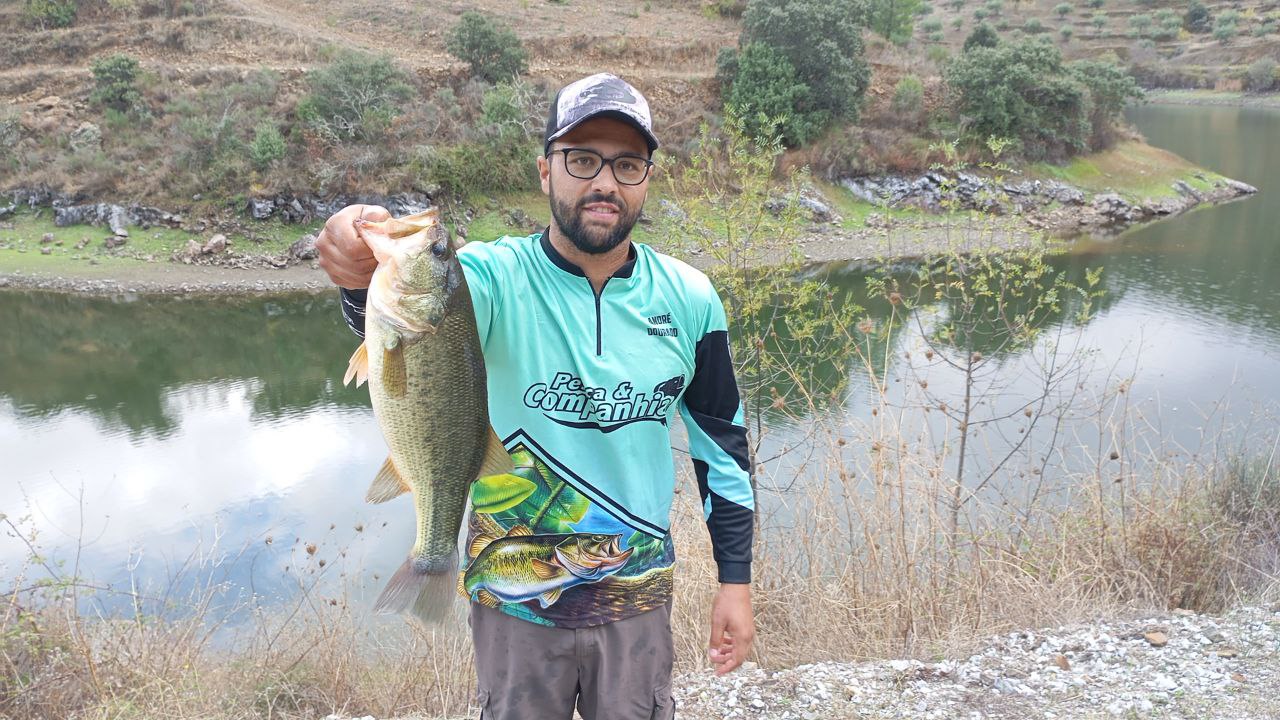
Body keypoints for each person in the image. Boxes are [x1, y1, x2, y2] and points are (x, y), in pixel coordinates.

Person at [316, 73, 755, 720]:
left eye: (627, 164)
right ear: (545, 171)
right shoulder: (491, 275)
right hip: (512, 604)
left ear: (646, 180)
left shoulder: (691, 298)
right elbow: (411, 327)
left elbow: (723, 449)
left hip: (636, 597)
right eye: (582, 159)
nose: (605, 182)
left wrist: (735, 581)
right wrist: (357, 260)